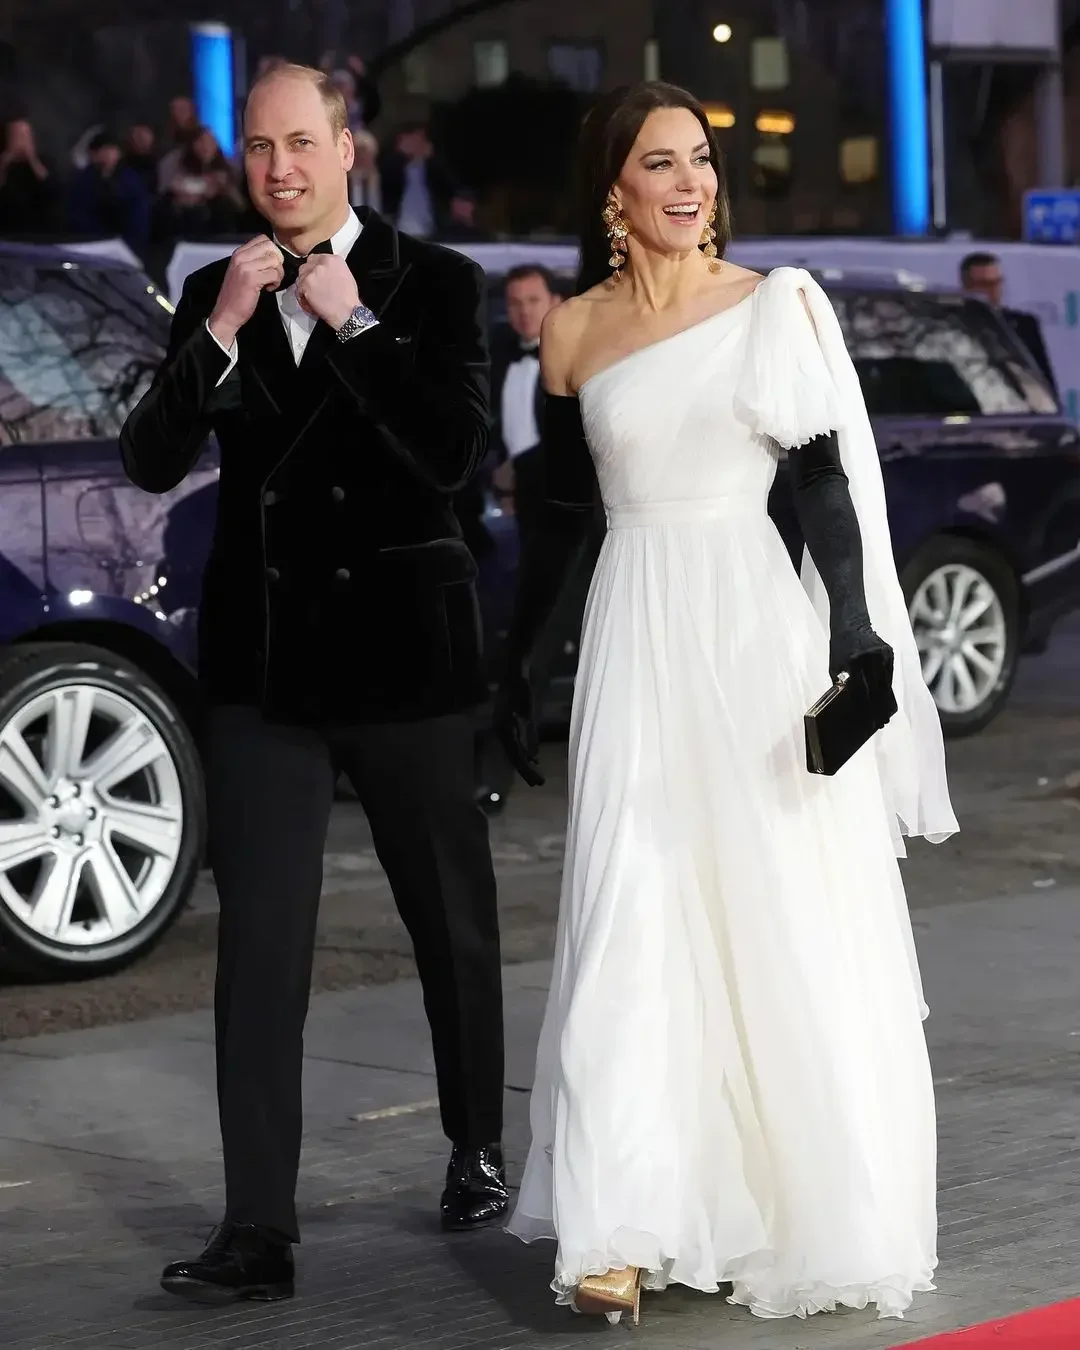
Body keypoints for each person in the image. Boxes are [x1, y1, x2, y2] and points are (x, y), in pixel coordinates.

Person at [497, 81, 958, 1326]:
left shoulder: (772, 310)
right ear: (616, 188)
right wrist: (517, 670)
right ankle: (620, 1224)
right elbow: (562, 529)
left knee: (767, 911)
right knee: (630, 906)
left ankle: (795, 1200)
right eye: (662, 163)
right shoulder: (571, 336)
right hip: (635, 637)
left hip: (751, 631)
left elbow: (822, 490)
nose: (692, 182)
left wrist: (857, 631)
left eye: (702, 159)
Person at [119, 61, 507, 1304]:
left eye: (300, 142)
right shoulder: (211, 287)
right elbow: (149, 457)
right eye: (257, 148)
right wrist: (226, 328)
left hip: (407, 655)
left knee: (448, 926)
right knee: (261, 949)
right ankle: (260, 1230)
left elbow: (456, 456)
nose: (277, 168)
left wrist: (357, 322)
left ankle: (477, 1148)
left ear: (350, 148)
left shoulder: (439, 285)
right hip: (268, 668)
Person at [959, 250, 1058, 396]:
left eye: (997, 282)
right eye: (984, 284)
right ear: (966, 286)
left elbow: (1044, 383)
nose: (993, 291)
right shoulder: (951, 325)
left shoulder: (1024, 325)